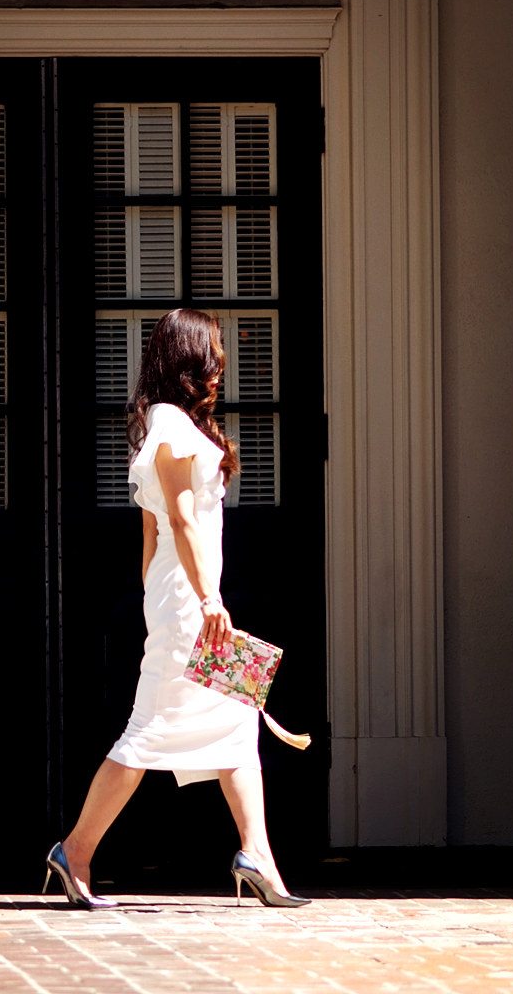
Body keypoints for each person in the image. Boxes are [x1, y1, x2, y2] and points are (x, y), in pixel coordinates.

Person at [43, 308, 310, 910]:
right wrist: (202, 600)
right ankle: (76, 850)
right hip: (191, 600)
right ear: (185, 360)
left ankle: (257, 856)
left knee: (240, 715)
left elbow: (149, 534)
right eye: (211, 355)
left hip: (186, 594)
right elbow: (180, 520)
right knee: (149, 728)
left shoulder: (170, 425)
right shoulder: (168, 424)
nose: (220, 367)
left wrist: (178, 596)